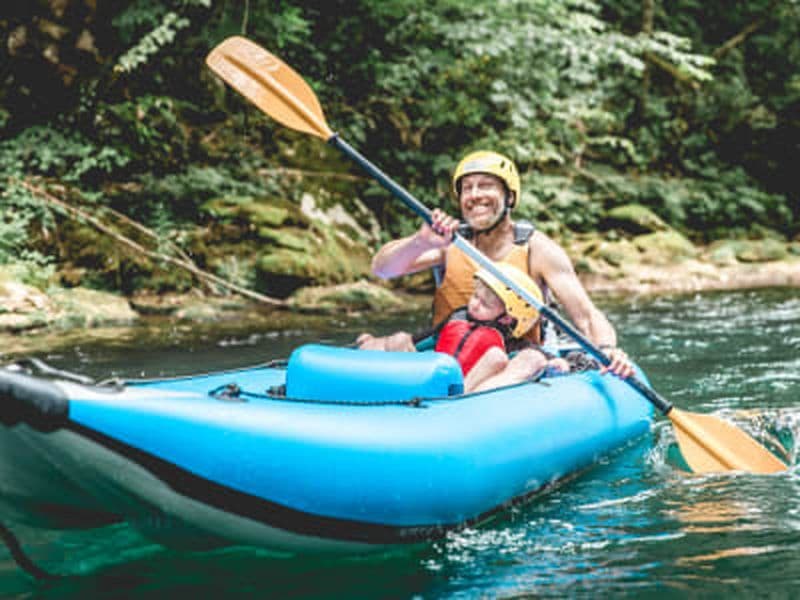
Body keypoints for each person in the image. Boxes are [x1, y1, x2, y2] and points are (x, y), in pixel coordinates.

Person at [359, 149, 634, 382]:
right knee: (394, 342)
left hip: (512, 364)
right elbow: (382, 269)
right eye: (467, 188)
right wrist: (420, 242)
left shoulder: (539, 250)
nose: (475, 195)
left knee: (524, 360)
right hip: (448, 355)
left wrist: (608, 349)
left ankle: (457, 403)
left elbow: (586, 316)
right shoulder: (451, 244)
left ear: (510, 197)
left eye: (486, 185)